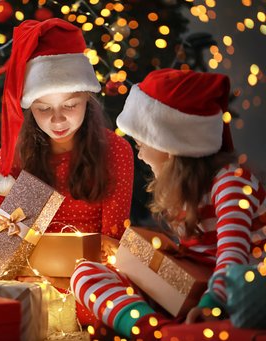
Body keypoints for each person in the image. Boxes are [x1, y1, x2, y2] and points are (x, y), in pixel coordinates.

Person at [0, 19, 133, 304]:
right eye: (43, 108)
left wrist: (64, 272)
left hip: (86, 277)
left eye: (70, 105)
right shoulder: (12, 157)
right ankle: (35, 302)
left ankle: (24, 304)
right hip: (23, 274)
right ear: (30, 108)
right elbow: (5, 245)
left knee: (114, 283)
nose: (57, 120)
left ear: (87, 98)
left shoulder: (115, 150)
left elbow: (113, 245)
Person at [71, 68, 266, 340]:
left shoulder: (231, 182)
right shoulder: (185, 192)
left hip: (231, 296)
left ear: (169, 145)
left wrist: (211, 304)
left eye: (141, 145)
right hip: (188, 291)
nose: (139, 156)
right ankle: (158, 333)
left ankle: (176, 329)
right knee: (85, 273)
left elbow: (232, 259)